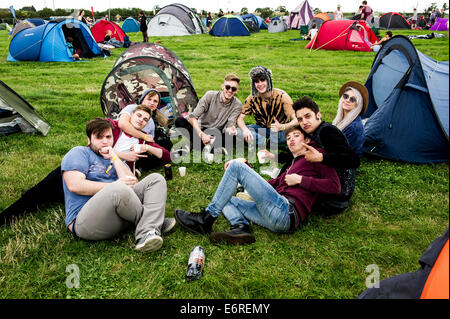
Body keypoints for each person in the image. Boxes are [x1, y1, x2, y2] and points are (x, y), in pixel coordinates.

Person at [174, 125, 341, 245]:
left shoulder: (316, 156)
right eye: (288, 137)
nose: (290, 140)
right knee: (228, 200)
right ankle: (241, 227)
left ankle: (205, 219)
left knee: (235, 166)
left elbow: (335, 186)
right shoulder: (292, 164)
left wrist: (300, 180)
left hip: (286, 211)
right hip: (275, 216)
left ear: (307, 139)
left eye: (296, 136)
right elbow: (270, 185)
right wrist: (247, 170)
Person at [61, 118, 168, 252]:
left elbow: (132, 184)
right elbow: (75, 185)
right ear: (89, 140)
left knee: (156, 179)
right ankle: (152, 223)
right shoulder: (79, 153)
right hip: (85, 223)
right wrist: (114, 186)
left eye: (108, 137)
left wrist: (115, 157)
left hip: (116, 216)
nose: (105, 141)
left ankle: (148, 227)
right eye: (99, 137)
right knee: (118, 188)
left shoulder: (114, 158)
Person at [292, 96, 360, 215]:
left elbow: (353, 160)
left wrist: (321, 158)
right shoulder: (315, 132)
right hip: (330, 189)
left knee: (292, 189)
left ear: (318, 115)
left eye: (308, 116)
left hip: (336, 197)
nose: (304, 122)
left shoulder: (327, 132)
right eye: (300, 119)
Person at [174, 73, 242, 153]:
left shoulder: (237, 104)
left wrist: (231, 130)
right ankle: (211, 147)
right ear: (223, 86)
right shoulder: (210, 95)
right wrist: (201, 134)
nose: (230, 90)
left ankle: (198, 145)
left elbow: (229, 125)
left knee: (232, 137)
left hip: (217, 134)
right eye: (227, 87)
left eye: (233, 89)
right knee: (179, 121)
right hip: (200, 130)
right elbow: (193, 117)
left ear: (236, 90)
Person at [237, 66, 297, 148]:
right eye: (256, 82)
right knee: (238, 131)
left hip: (280, 130)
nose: (260, 84)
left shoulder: (282, 96)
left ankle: (258, 141)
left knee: (286, 136)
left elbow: (297, 120)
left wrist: (282, 126)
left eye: (262, 80)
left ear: (268, 80)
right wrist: (245, 130)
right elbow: (240, 118)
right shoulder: (251, 98)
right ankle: (265, 141)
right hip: (261, 128)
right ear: (253, 84)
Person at [117, 89, 173, 169]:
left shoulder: (151, 123)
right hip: (119, 141)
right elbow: (122, 124)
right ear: (142, 100)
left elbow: (150, 141)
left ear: (157, 105)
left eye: (155, 101)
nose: (152, 103)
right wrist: (144, 136)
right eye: (149, 99)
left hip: (135, 147)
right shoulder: (132, 108)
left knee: (165, 144)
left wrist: (146, 146)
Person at [110, 105, 171, 174]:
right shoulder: (113, 126)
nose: (141, 120)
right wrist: (124, 155)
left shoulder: (142, 139)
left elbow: (167, 156)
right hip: (100, 165)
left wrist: (146, 147)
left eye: (145, 119)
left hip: (122, 174)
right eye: (139, 115)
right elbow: (99, 147)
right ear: (132, 115)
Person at [332, 81, 368, 158]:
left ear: (357, 105)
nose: (347, 100)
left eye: (353, 99)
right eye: (345, 96)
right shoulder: (342, 119)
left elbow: (340, 152)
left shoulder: (355, 127)